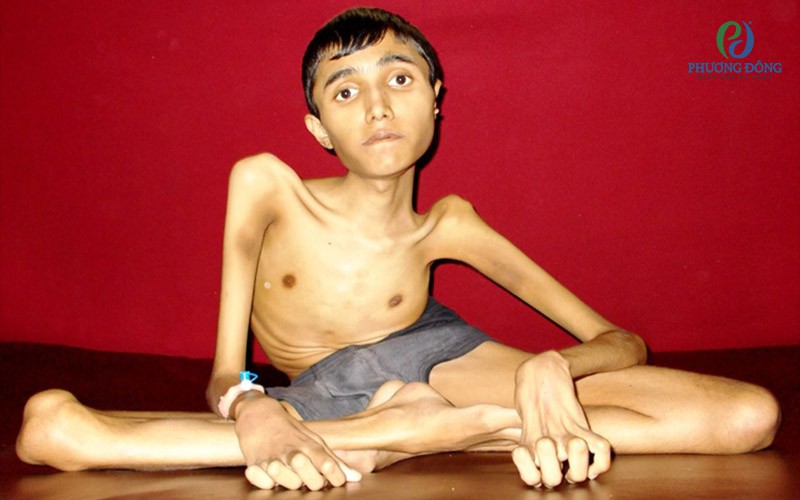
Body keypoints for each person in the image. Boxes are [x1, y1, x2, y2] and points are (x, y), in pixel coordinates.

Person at [16, 7, 780, 492]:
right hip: (323, 383)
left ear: (436, 97)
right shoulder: (267, 186)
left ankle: (414, 433)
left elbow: (621, 341)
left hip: (441, 351)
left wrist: (552, 366)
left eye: (400, 78)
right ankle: (433, 428)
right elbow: (226, 369)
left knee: (747, 417)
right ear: (318, 127)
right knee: (53, 430)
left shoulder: (449, 224)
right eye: (345, 91)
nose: (378, 106)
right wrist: (250, 407)